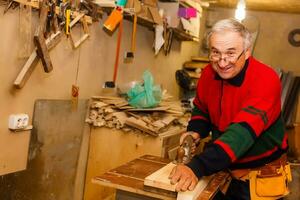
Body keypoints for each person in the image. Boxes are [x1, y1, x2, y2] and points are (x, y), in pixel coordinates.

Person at [169, 18, 289, 200]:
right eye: (215, 53)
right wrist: (195, 131)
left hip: (260, 176)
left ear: (247, 52)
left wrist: (197, 167)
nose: (222, 63)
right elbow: (202, 108)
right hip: (223, 168)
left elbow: (239, 135)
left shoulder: (266, 80)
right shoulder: (209, 74)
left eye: (231, 54)